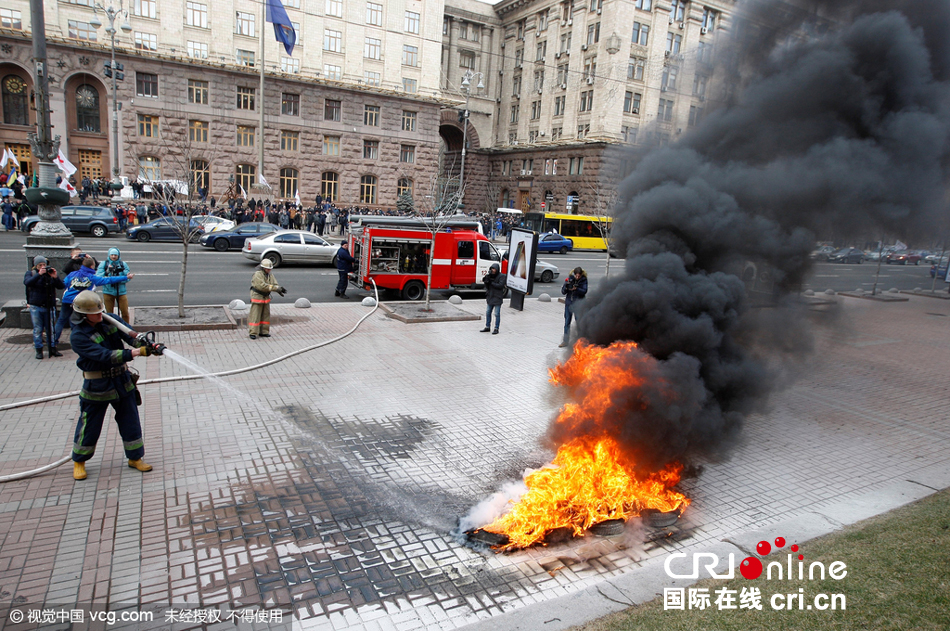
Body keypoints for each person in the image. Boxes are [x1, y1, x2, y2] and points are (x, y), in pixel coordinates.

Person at [68, 290, 158, 481]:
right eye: (96, 313)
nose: (101, 315)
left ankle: (135, 457)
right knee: (90, 425)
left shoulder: (110, 320)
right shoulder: (78, 336)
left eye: (101, 311)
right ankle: (79, 461)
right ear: (84, 314)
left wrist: (146, 344)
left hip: (121, 381)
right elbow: (105, 356)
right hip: (97, 385)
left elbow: (129, 335)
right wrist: (136, 353)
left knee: (130, 420)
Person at [54, 257, 132, 353]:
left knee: (61, 321)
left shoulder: (73, 274)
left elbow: (64, 284)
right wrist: (125, 277)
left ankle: (54, 342)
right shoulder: (92, 277)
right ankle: (79, 342)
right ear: (92, 266)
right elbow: (108, 280)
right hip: (82, 302)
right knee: (77, 323)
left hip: (67, 300)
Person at [24, 256, 66, 359]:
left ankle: (53, 348)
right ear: (36, 266)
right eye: (40, 265)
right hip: (36, 306)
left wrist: (55, 277)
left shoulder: (49, 274)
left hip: (49, 306)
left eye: (44, 265)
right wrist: (39, 274)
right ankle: (39, 350)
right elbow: (27, 282)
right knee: (38, 329)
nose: (43, 267)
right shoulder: (31, 273)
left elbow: (61, 286)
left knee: (51, 329)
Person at [249, 259, 285, 339]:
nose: (269, 270)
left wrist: (279, 289)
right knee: (255, 316)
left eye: (270, 269)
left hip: (265, 297)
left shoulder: (270, 275)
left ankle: (264, 332)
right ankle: (253, 332)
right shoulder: (257, 274)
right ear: (263, 268)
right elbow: (262, 286)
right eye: (267, 269)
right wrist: (275, 288)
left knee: (265, 316)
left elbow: (274, 283)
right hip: (257, 297)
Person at [97, 248, 133, 322]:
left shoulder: (123, 264)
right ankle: (111, 327)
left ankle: (126, 327)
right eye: (112, 255)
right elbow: (99, 277)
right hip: (107, 291)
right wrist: (107, 272)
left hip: (121, 292)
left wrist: (118, 277)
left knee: (125, 312)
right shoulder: (104, 264)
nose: (113, 257)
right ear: (109, 255)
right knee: (109, 313)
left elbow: (128, 278)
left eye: (115, 255)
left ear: (118, 255)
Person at [560, 266, 588, 348]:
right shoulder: (570, 279)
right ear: (574, 274)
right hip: (569, 304)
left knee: (579, 323)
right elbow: (563, 292)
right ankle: (565, 341)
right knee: (567, 323)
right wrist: (566, 287)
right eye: (576, 275)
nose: (577, 277)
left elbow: (584, 291)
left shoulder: (583, 280)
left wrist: (576, 289)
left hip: (578, 304)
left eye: (579, 275)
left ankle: (580, 341)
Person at [480, 263, 507, 335]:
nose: (493, 270)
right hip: (490, 296)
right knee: (488, 312)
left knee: (497, 313)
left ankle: (496, 328)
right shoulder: (490, 275)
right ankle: (487, 326)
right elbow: (487, 286)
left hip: (497, 297)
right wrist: (486, 281)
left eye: (494, 269)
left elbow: (500, 285)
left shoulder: (502, 276)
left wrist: (491, 282)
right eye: (492, 269)